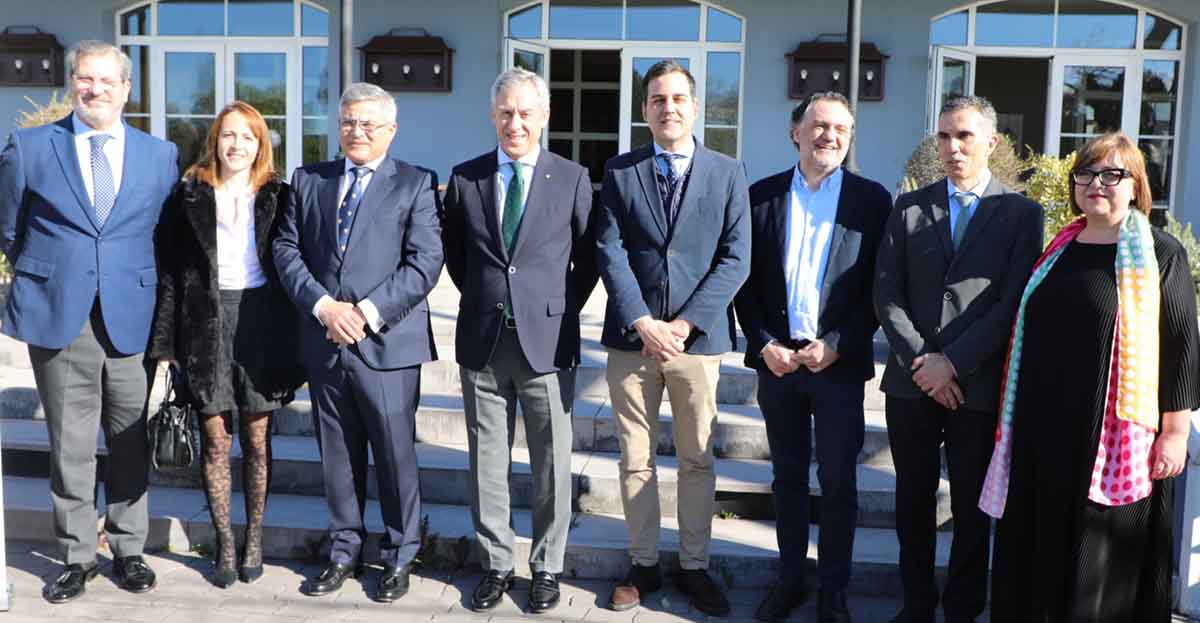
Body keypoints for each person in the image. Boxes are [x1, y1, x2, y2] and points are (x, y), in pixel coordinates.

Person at [981, 132, 1200, 622]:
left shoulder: (1160, 255)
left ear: (1135, 185)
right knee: (1038, 555)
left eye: (1111, 174)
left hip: (1114, 442)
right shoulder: (1057, 249)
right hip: (1041, 435)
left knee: (1098, 563)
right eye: (1086, 173)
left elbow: (1182, 347)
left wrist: (1175, 432)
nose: (1096, 183)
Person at [0, 40, 178, 604]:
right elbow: (8, 228)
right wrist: (48, 276)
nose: (93, 88)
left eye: (106, 80)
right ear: (71, 83)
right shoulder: (29, 147)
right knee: (70, 444)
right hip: (60, 313)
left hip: (132, 314)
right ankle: (77, 555)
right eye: (84, 78)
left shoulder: (161, 155)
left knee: (129, 439)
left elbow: (166, 238)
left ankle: (128, 550)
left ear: (127, 89)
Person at [873, 95, 1043, 623]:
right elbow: (886, 292)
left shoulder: (1020, 213)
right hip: (912, 383)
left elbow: (1014, 298)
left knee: (972, 506)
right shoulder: (909, 207)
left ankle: (964, 608)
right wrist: (926, 363)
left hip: (977, 385)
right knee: (913, 502)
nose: (952, 147)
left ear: (991, 143)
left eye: (964, 136)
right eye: (944, 136)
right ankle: (917, 604)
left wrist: (955, 362)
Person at [272, 82, 442, 603]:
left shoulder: (415, 183)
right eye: (349, 121)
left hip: (387, 345)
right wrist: (324, 307)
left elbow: (424, 264)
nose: (357, 131)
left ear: (391, 130)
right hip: (325, 339)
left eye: (369, 123)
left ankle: (400, 553)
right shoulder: (308, 180)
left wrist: (365, 314)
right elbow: (285, 248)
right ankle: (344, 549)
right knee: (338, 455)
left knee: (393, 455)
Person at [596, 59, 750, 617]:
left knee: (696, 461)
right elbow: (609, 250)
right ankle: (642, 565)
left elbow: (737, 258)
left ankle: (694, 567)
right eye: (658, 99)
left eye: (678, 98)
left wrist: (684, 326)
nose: (669, 108)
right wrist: (642, 321)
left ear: (695, 106)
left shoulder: (727, 172)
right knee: (635, 459)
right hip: (631, 340)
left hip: (696, 344)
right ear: (644, 110)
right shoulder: (619, 170)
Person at [442, 68, 598, 614]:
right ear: (493, 115)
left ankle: (547, 566)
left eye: (525, 112)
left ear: (544, 116)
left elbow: (588, 260)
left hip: (548, 342)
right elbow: (458, 258)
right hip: (483, 339)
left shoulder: (573, 178)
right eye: (505, 112)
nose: (515, 123)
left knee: (552, 462)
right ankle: (497, 564)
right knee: (487, 461)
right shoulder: (466, 179)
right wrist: (491, 299)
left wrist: (555, 307)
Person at [734, 92, 892, 623]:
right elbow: (743, 282)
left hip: (838, 367)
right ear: (795, 131)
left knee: (840, 480)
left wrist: (842, 342)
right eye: (818, 125)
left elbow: (880, 286)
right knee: (787, 477)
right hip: (778, 363)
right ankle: (790, 579)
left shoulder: (872, 201)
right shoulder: (760, 197)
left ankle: (834, 590)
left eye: (840, 129)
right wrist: (762, 344)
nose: (829, 136)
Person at [149, 101, 305, 588]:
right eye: (229, 136)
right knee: (216, 439)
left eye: (249, 137)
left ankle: (254, 537)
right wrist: (167, 340)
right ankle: (224, 545)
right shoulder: (189, 194)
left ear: (262, 145)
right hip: (203, 324)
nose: (237, 145)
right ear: (215, 140)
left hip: (262, 322)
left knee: (258, 438)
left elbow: (296, 261)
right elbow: (170, 271)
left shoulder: (279, 194)